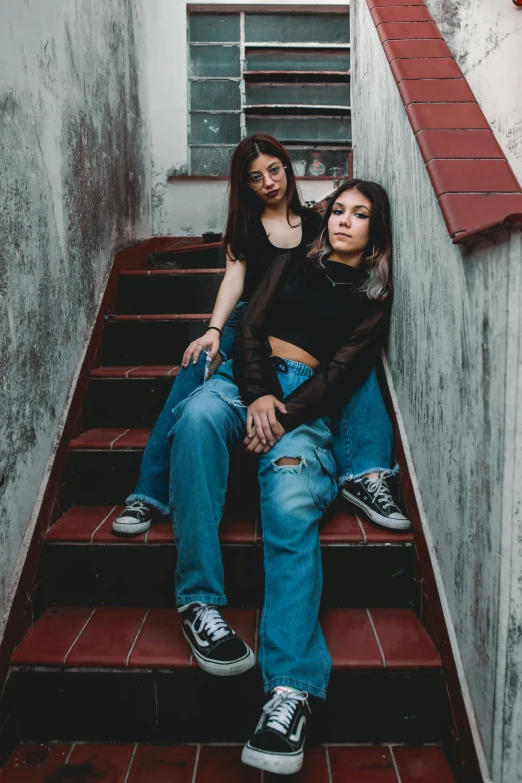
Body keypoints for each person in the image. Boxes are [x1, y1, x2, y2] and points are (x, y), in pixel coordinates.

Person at [168, 179, 398, 774]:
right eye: (339, 209)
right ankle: (198, 603)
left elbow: (343, 376)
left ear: (377, 231)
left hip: (303, 407)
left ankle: (289, 692)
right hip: (246, 379)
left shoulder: (372, 299)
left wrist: (282, 411)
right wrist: (259, 394)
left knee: (294, 501)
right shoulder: (295, 261)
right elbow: (249, 328)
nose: (344, 220)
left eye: (360, 214)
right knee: (194, 420)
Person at [112, 136, 408, 536]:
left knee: (356, 360)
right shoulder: (246, 227)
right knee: (196, 364)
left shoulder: (319, 220)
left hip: (298, 323)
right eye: (255, 177)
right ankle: (148, 494)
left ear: (287, 168)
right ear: (246, 185)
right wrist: (214, 332)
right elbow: (234, 282)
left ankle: (365, 473)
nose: (268, 182)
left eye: (274, 170)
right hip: (247, 324)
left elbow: (341, 244)